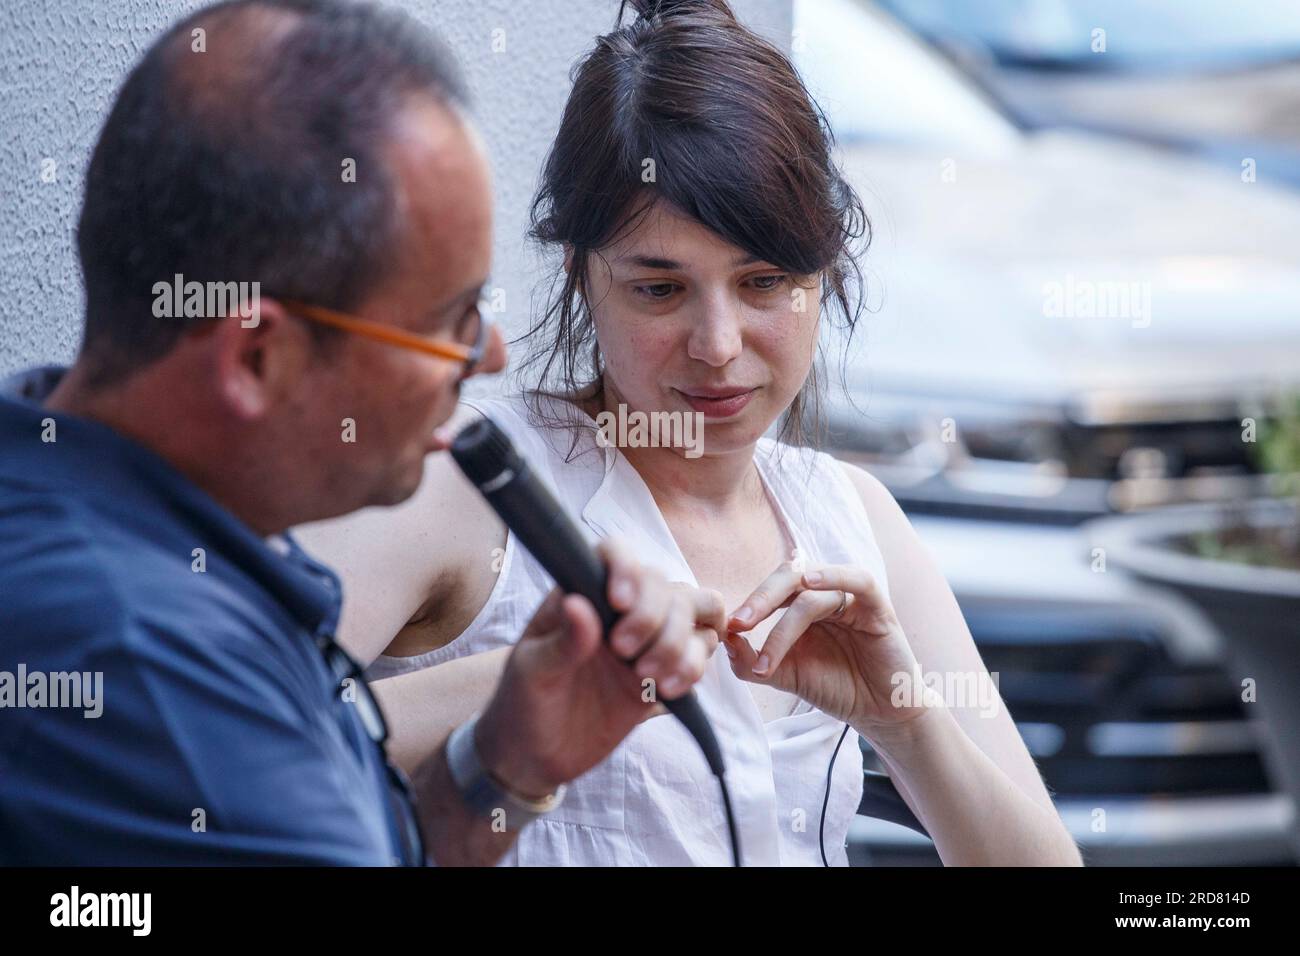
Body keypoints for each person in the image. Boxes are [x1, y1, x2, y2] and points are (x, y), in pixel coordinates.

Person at [296, 0, 1083, 866]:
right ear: (581, 276)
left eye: (763, 282)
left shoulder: (850, 521)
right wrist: (530, 684)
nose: (717, 346)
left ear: (823, 278)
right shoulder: (474, 485)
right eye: (660, 290)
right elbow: (214, 749)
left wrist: (900, 721)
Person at [0, 0, 715, 866]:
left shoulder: (91, 496)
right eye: (448, 323)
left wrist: (510, 761)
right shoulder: (149, 674)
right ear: (257, 359)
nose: (487, 356)